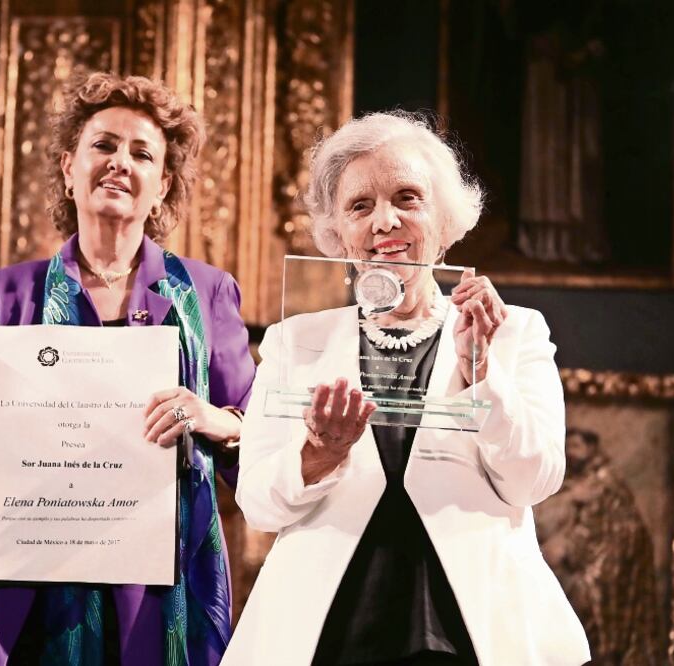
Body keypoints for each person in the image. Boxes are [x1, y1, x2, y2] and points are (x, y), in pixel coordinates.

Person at [223, 111, 590, 665]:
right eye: (360, 206)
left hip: (473, 630)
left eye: (407, 197)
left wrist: (481, 374)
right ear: (337, 234)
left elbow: (533, 481)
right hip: (330, 631)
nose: (383, 221)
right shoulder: (293, 341)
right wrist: (320, 453)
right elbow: (259, 506)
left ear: (445, 222)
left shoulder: (515, 332)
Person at [0, 72, 256, 666]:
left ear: (162, 185)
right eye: (103, 145)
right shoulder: (3, 294)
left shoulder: (208, 292)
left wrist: (210, 419)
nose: (120, 162)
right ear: (69, 168)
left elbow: (260, 449)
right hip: (27, 591)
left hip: (160, 591)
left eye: (142, 153)